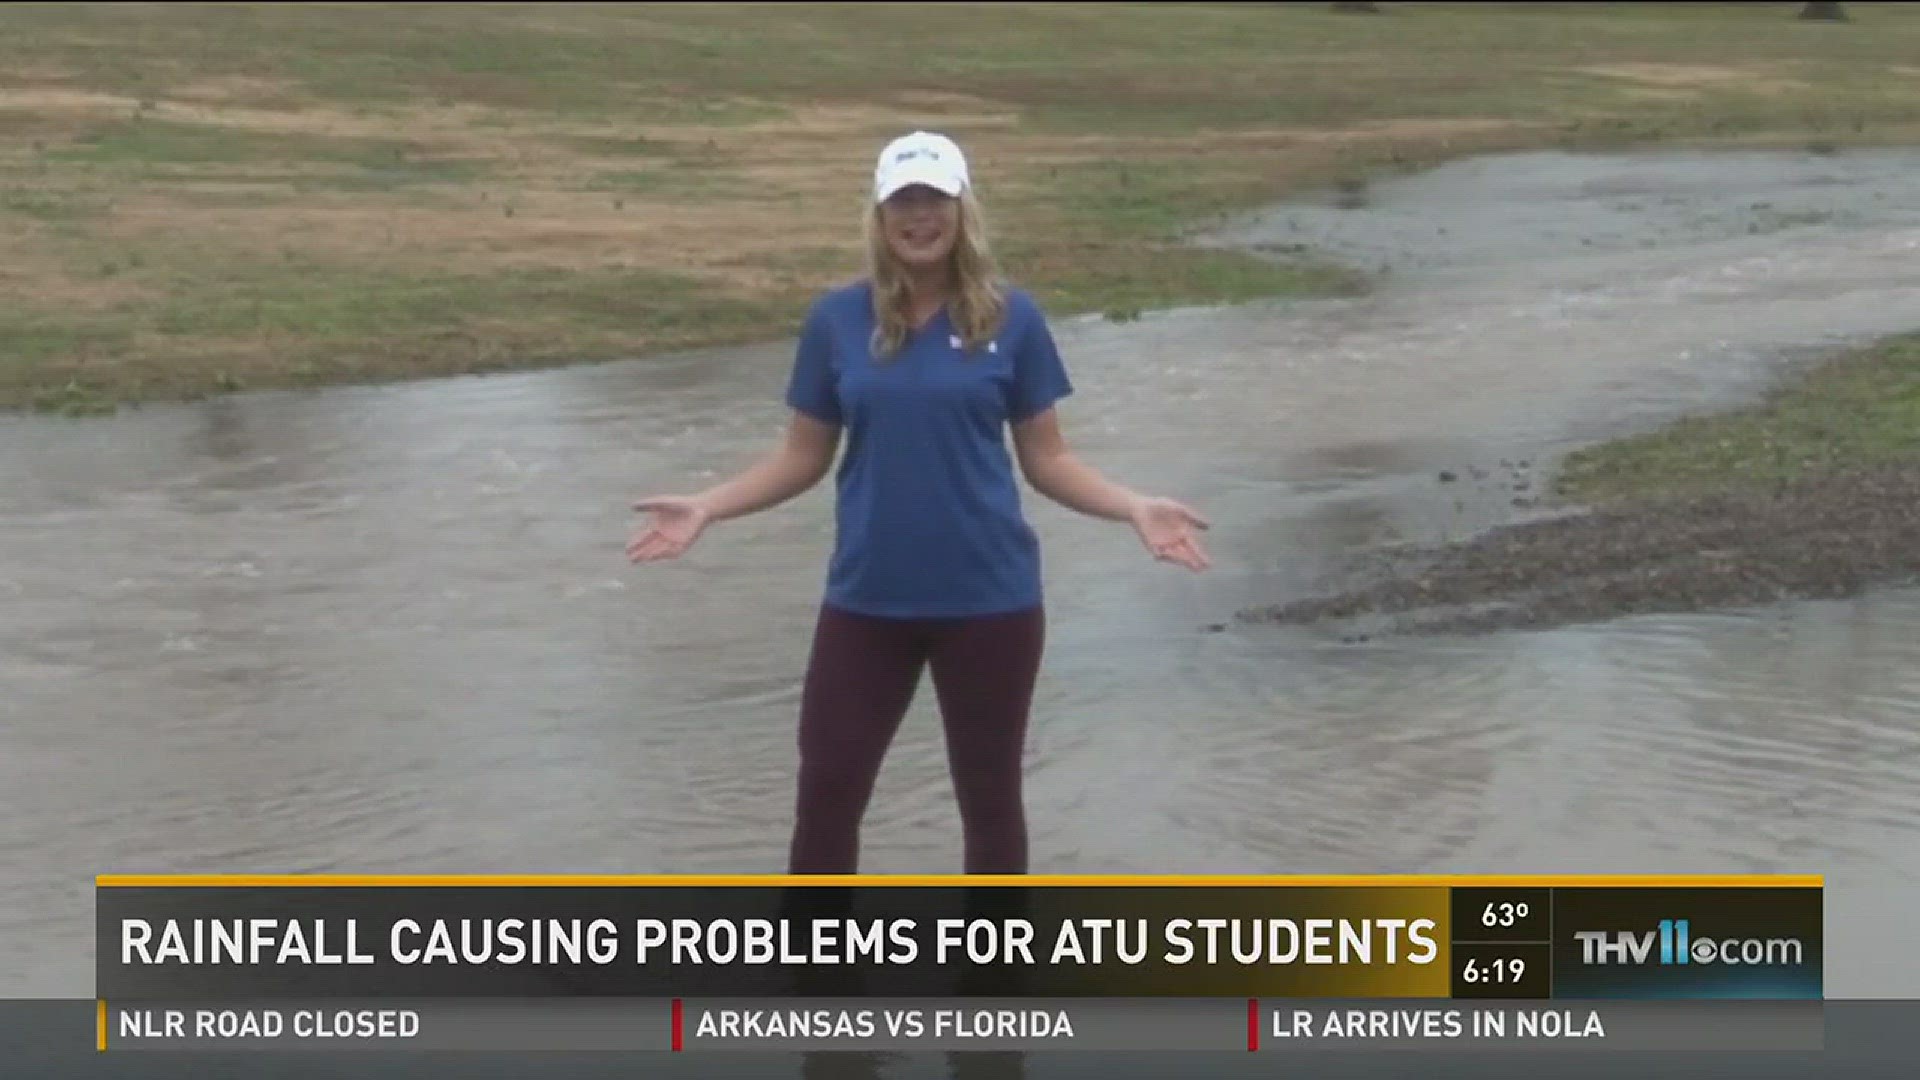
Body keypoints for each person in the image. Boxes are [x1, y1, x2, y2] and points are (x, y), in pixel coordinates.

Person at [628, 131, 1210, 875]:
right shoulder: (835, 320)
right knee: (829, 788)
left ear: (962, 209)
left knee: (990, 800)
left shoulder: (1012, 319)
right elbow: (803, 456)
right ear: (879, 214)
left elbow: (1048, 459)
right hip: (868, 599)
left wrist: (1133, 506)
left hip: (990, 601)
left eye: (934, 198)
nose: (919, 216)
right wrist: (709, 505)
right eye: (903, 200)